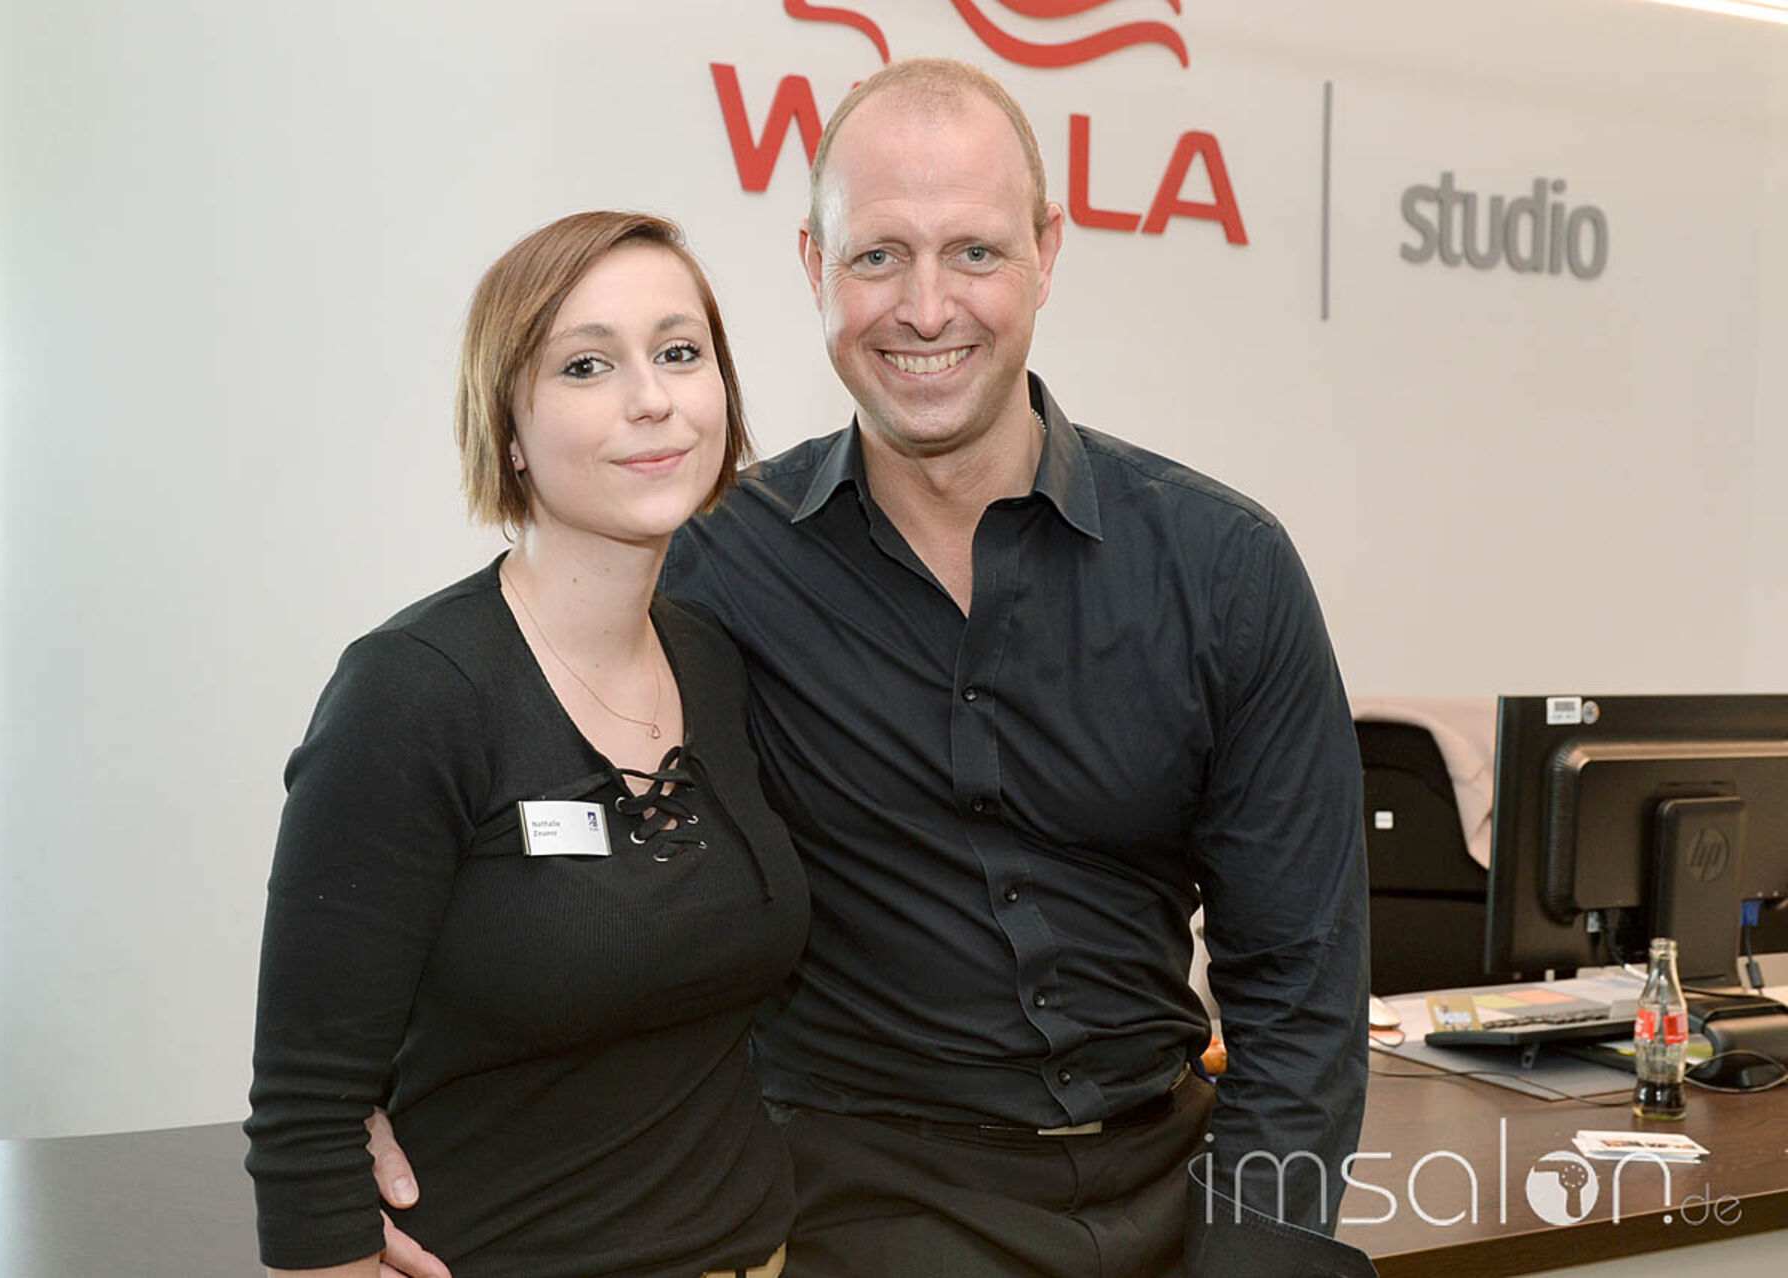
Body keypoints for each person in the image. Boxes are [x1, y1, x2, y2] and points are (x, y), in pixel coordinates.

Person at [373, 59, 1373, 1276]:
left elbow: (1301, 991)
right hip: (859, 1211)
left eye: (975, 253)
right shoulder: (710, 570)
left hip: (1178, 1181)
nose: (926, 307)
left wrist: (1261, 1254)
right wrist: (356, 1102)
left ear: (1048, 253)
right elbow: (475, 817)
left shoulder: (1225, 569)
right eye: (879, 256)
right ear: (815, 267)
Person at [244, 211, 808, 1278]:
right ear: (506, 427)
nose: (651, 397)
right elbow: (306, 1109)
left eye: (680, 352)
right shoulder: (412, 692)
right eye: (586, 365)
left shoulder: (715, 663)